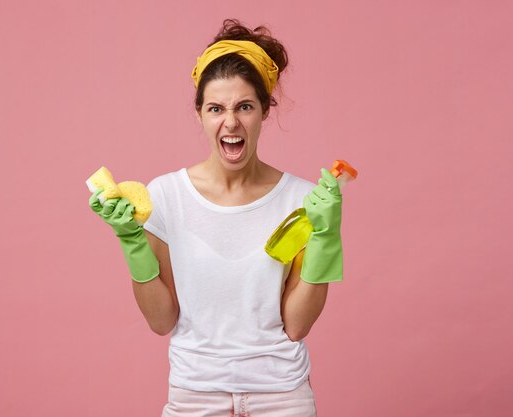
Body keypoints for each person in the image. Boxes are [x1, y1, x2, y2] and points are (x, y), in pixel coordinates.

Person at [89, 19, 344, 417]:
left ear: (264, 111)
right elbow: (161, 321)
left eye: (245, 106)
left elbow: (296, 326)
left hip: (281, 396)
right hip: (195, 394)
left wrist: (327, 238)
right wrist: (132, 241)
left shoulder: (301, 199)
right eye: (216, 108)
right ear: (199, 115)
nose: (231, 123)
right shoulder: (166, 197)